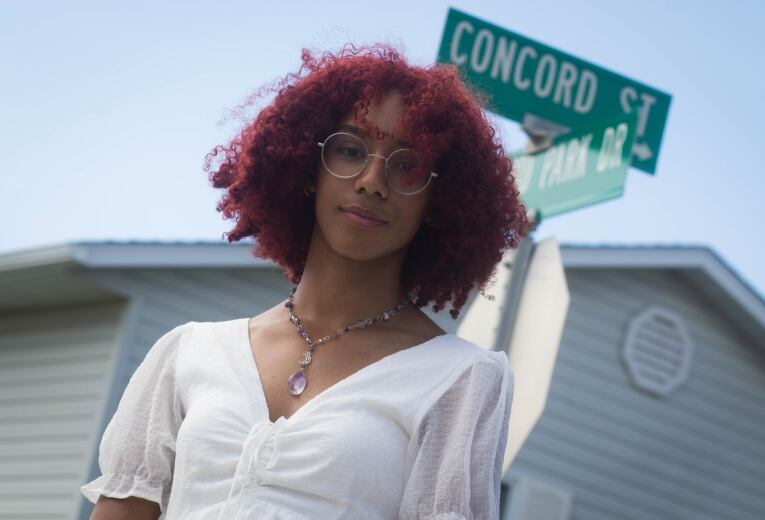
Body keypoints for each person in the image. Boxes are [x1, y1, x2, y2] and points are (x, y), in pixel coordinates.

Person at [80, 43, 530, 519]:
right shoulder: (189, 352)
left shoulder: (459, 379)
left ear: (439, 200)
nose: (372, 180)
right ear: (307, 169)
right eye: (351, 150)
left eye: (407, 166)